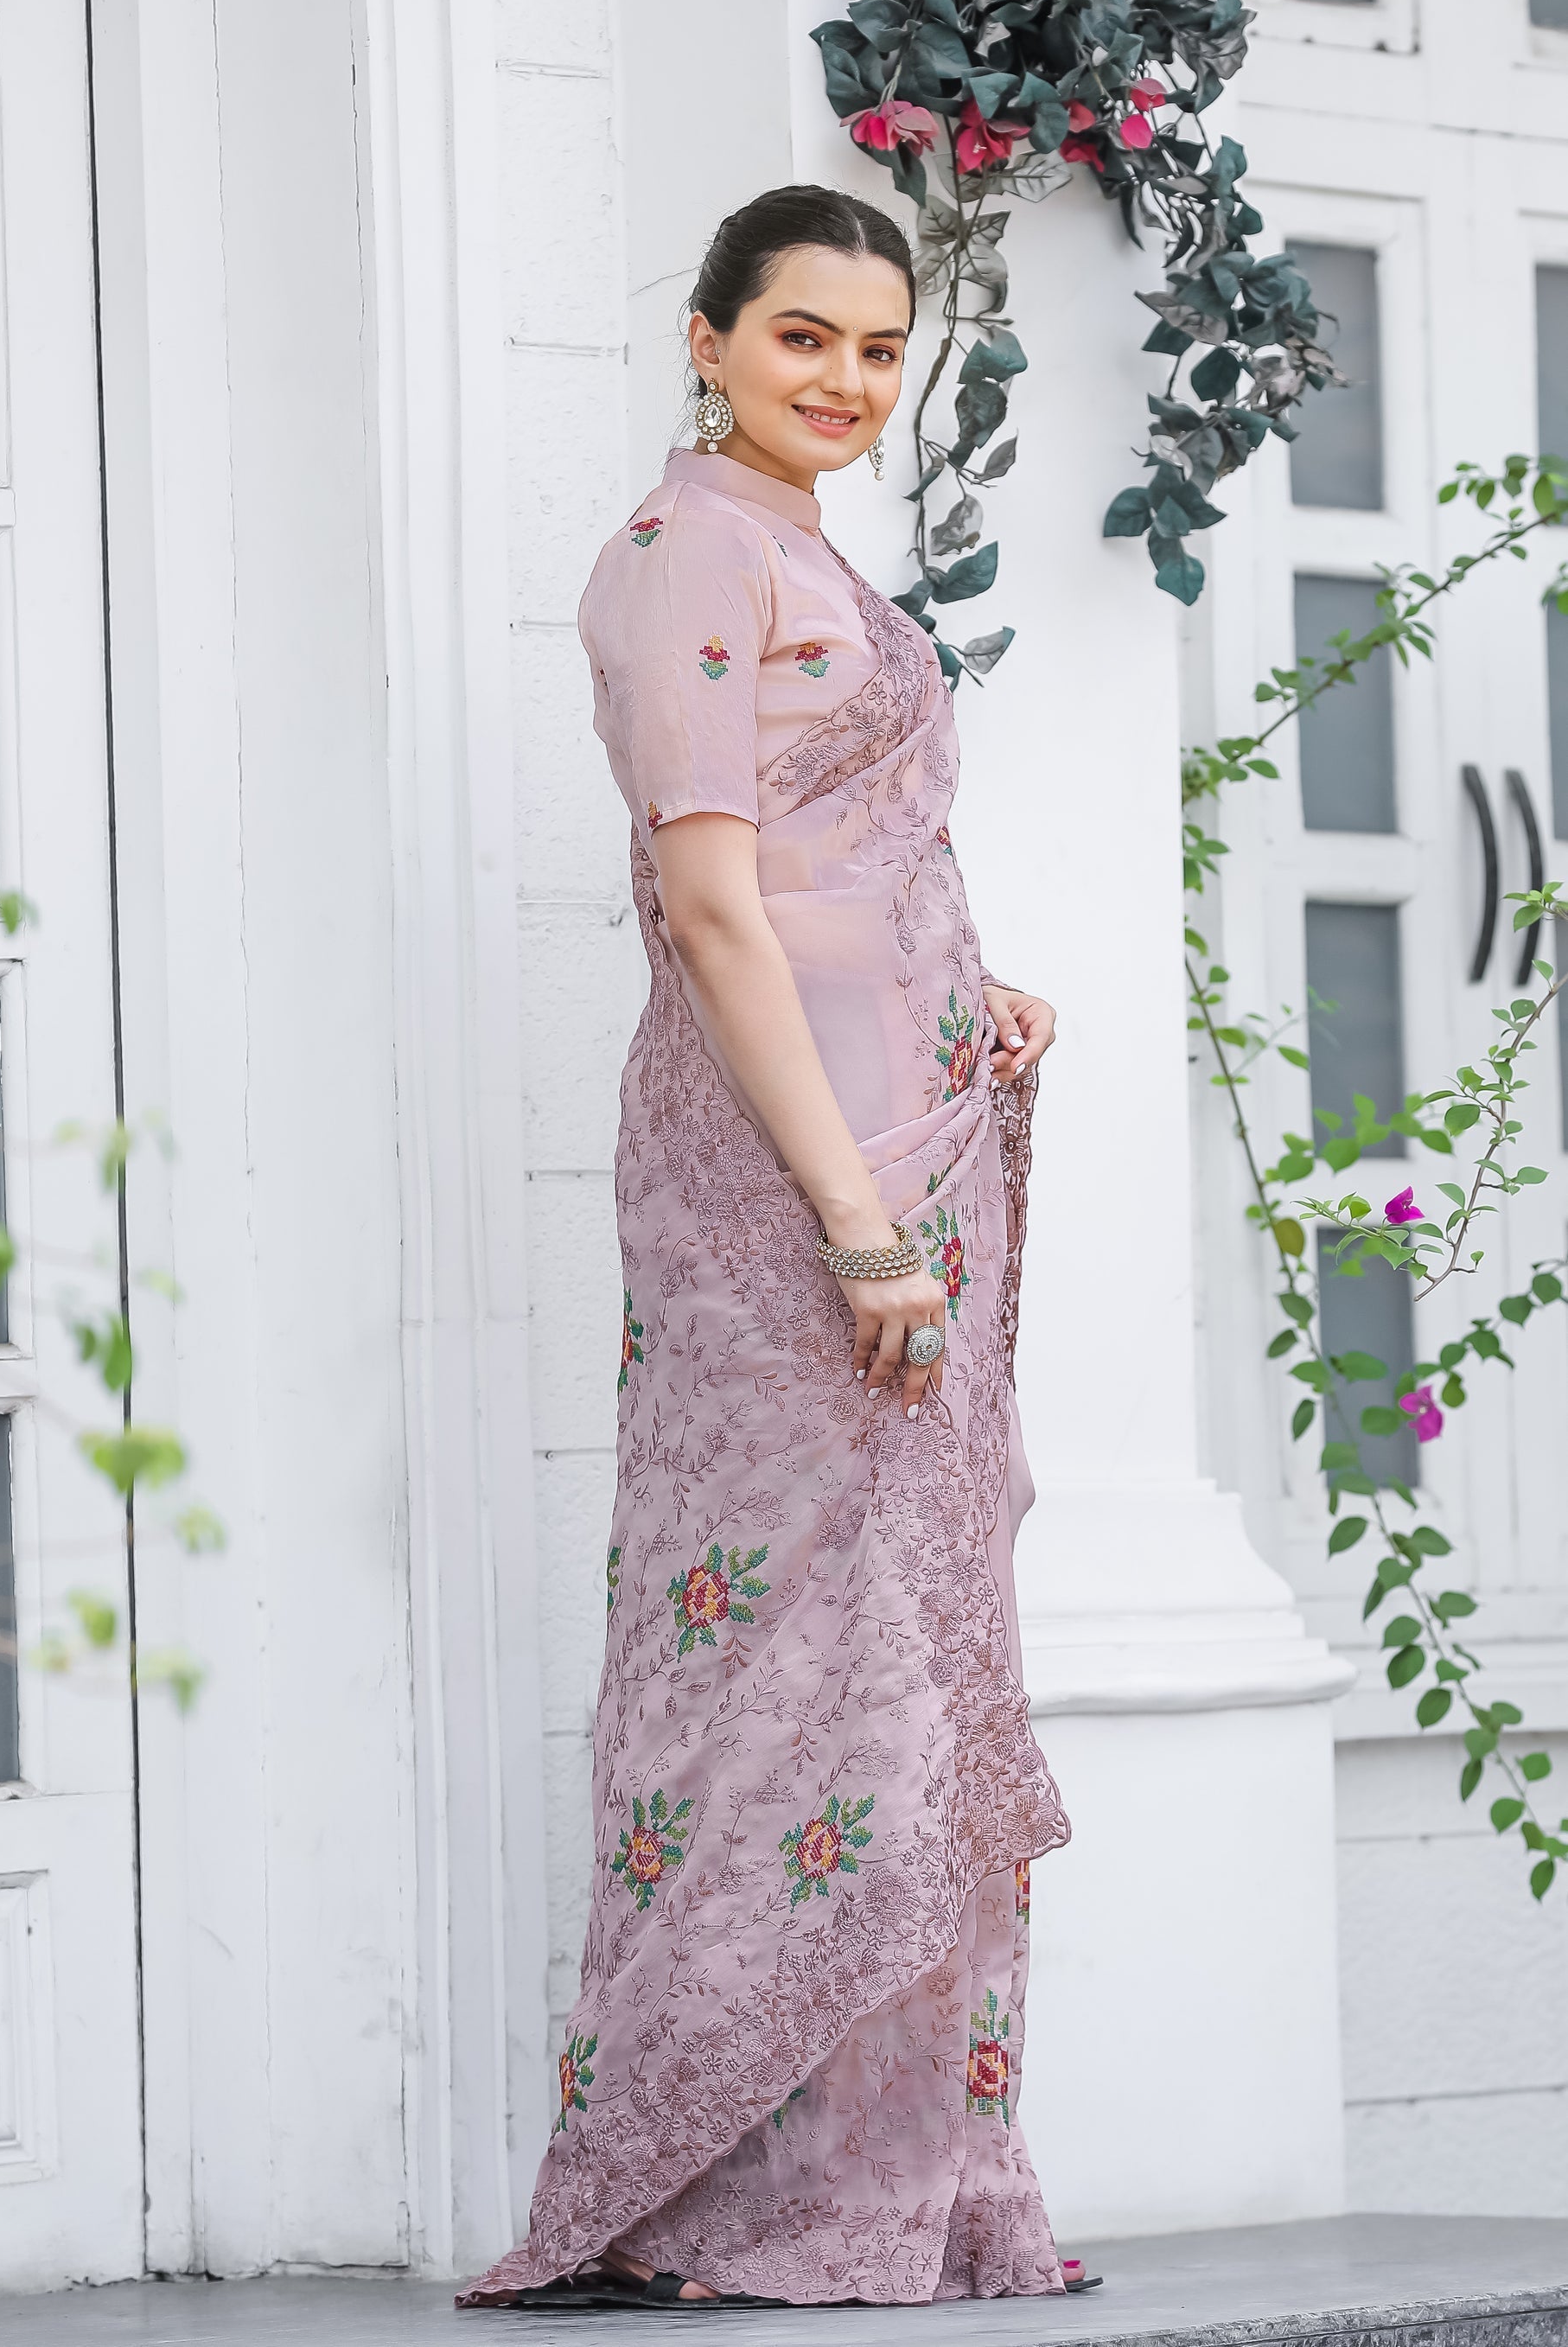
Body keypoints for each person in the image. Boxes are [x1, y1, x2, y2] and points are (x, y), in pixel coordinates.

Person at [466, 184, 1074, 2312]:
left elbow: (860, 863)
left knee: (901, 1666)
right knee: (776, 1667)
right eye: (799, 335)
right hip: (791, 1202)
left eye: (877, 349)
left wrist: (970, 986)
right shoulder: (678, 563)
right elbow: (718, 907)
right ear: (707, 341)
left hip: (906, 1162)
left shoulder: (810, 556)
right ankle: (721, 2192)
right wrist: (854, 1218)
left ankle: (907, 2184)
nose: (842, 379)